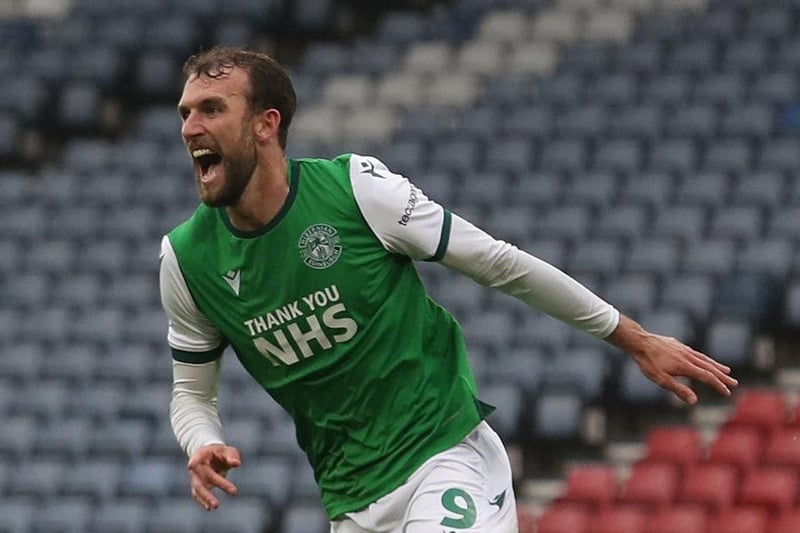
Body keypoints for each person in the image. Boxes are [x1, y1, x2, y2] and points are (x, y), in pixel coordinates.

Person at [159, 45, 738, 532]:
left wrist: (632, 338)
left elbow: (499, 263)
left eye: (212, 108)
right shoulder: (186, 260)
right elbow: (191, 393)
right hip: (351, 502)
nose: (190, 128)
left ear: (266, 124)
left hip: (444, 456)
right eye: (186, 112)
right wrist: (201, 442)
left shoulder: (355, 191)